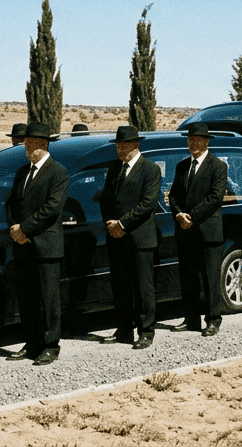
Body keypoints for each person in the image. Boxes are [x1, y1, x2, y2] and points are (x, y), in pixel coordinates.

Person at [4, 123, 68, 365]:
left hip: (46, 247)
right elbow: (11, 204)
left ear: (43, 144)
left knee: (49, 300)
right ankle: (31, 343)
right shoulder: (22, 172)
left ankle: (50, 345)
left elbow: (52, 209)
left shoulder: (58, 172)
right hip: (23, 245)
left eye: (30, 142)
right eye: (25, 142)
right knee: (27, 299)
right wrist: (14, 228)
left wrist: (25, 229)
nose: (26, 146)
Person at [96, 125, 162, 349]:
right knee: (121, 286)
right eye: (117, 146)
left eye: (124, 145)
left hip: (140, 238)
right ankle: (124, 329)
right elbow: (105, 199)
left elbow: (147, 204)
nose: (119, 149)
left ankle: (146, 331)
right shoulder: (115, 169)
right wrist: (111, 224)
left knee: (143, 287)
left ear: (136, 145)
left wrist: (122, 224)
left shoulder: (150, 169)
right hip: (116, 237)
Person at [169, 123, 229, 336]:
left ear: (207, 141)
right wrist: (178, 214)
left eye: (198, 139)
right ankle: (191, 319)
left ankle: (213, 319)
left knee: (211, 278)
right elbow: (174, 195)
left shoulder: (218, 166)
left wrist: (191, 217)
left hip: (207, 232)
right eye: (190, 139)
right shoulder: (182, 166)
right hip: (185, 231)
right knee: (188, 278)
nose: (193, 143)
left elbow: (215, 199)